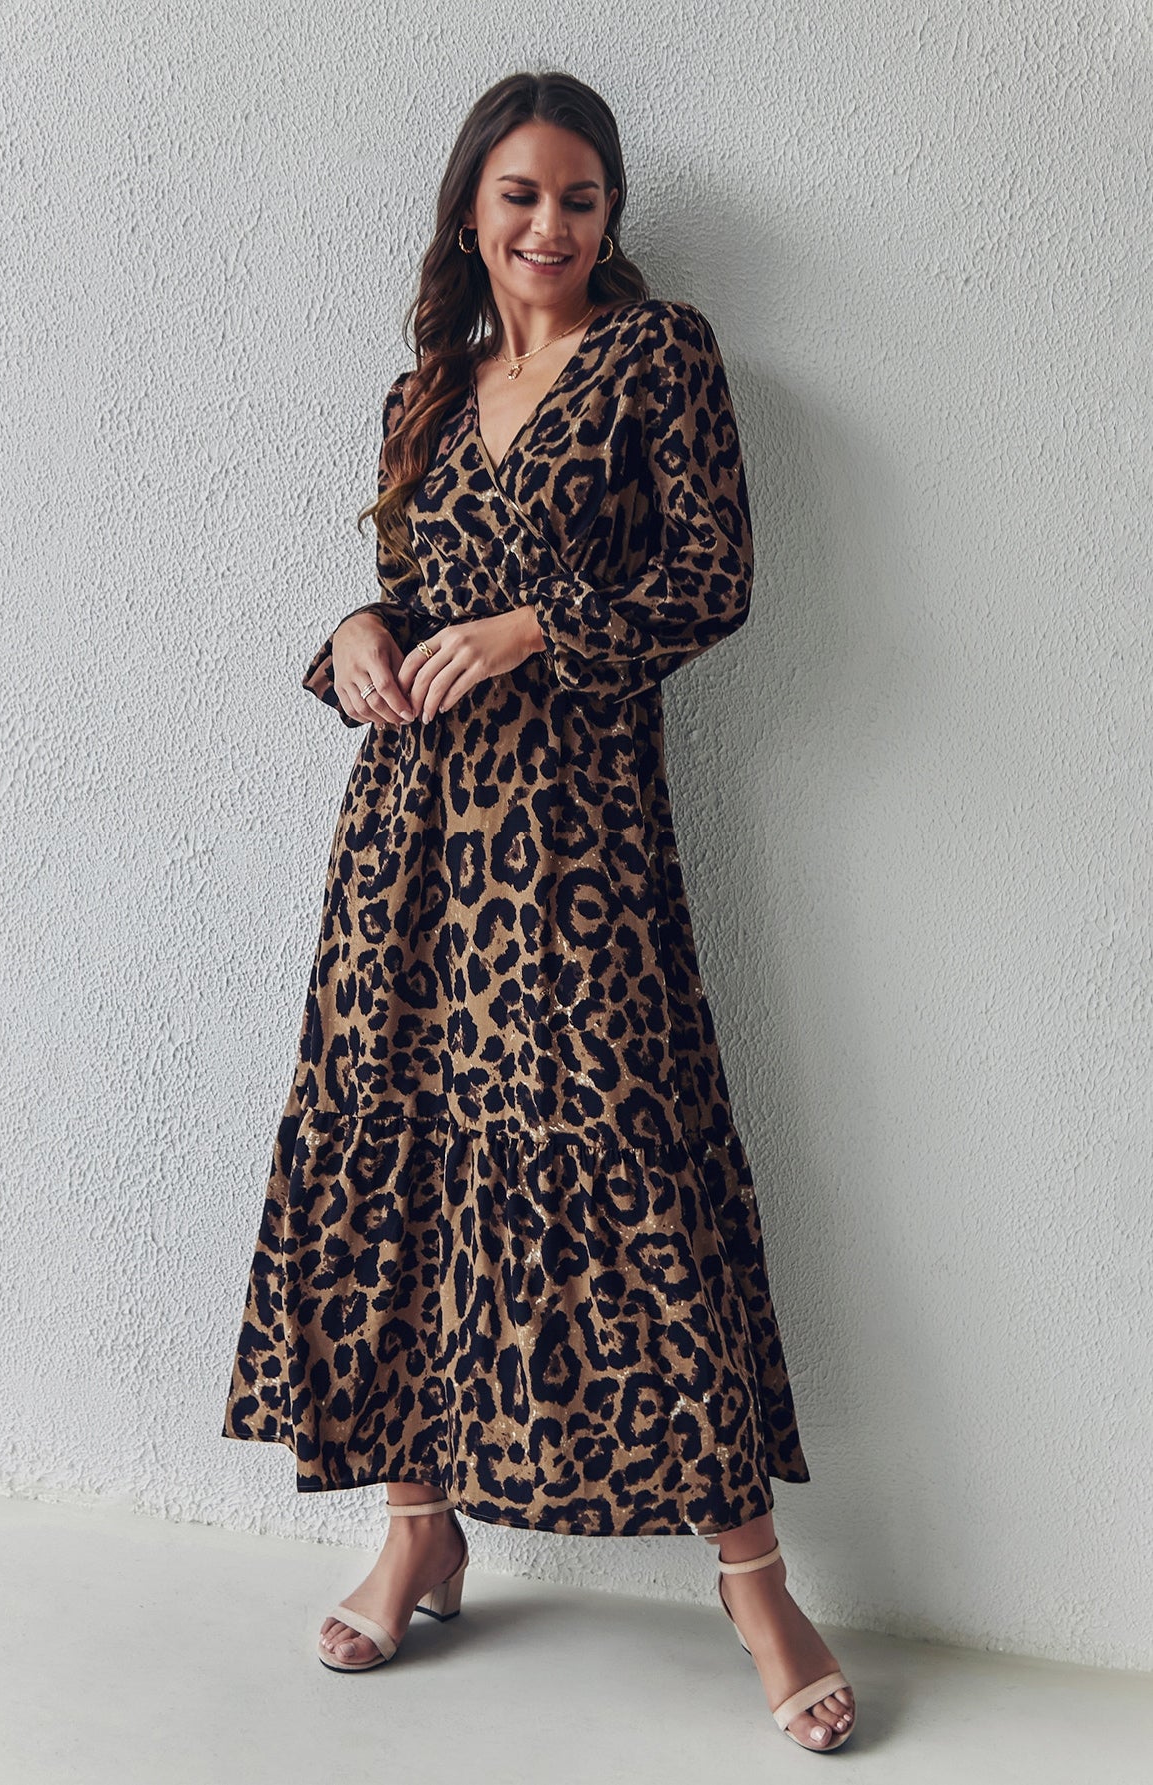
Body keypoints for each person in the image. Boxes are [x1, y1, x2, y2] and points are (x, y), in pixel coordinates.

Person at [222, 69, 856, 1754]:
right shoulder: (425, 390)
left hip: (576, 846)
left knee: (628, 1164)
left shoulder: (660, 357)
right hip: (409, 848)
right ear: (470, 211)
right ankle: (416, 1526)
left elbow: (711, 579)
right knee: (407, 1151)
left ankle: (756, 1581)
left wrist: (530, 630)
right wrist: (354, 634)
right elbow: (408, 597)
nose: (551, 225)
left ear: (611, 213)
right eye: (519, 195)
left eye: (579, 197)